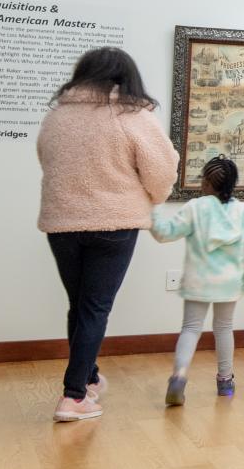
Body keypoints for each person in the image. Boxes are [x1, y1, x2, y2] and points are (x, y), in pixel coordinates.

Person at [36, 46, 178, 422]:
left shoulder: (58, 117)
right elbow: (162, 170)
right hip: (114, 222)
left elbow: (46, 161)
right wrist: (153, 197)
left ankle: (91, 378)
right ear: (126, 77)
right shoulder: (132, 114)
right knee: (95, 307)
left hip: (62, 224)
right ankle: (74, 396)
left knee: (80, 305)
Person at [153, 155, 244, 405]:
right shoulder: (243, 212)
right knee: (223, 328)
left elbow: (165, 233)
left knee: (191, 329)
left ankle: (179, 377)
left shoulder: (194, 208)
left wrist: (151, 210)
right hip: (229, 283)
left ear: (206, 183)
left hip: (197, 282)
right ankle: (225, 382)